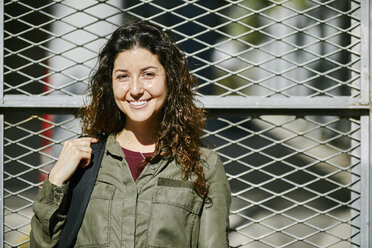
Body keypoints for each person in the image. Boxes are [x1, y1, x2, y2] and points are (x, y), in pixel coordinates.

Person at [30, 20, 231, 248]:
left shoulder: (203, 166)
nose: (135, 90)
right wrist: (56, 179)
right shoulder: (84, 160)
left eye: (148, 74)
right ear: (110, 84)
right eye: (123, 76)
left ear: (170, 79)